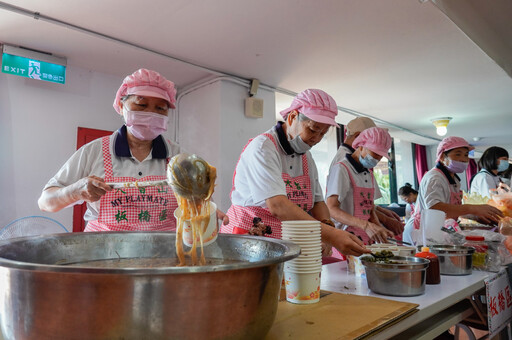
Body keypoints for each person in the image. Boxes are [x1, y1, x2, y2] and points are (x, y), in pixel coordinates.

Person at [38, 68, 227, 231]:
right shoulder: (93, 152)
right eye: (141, 105)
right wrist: (76, 191)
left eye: (160, 109)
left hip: (162, 256)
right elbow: (45, 202)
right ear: (121, 106)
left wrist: (203, 208)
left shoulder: (177, 156)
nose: (151, 114)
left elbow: (194, 200)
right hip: (105, 257)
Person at [220, 89, 369, 257]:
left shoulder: (307, 158)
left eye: (323, 133)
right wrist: (330, 235)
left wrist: (327, 228)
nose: (316, 139)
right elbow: (278, 205)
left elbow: (318, 202)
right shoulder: (263, 148)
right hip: (249, 239)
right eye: (313, 130)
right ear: (292, 117)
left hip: (283, 242)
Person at [403, 136, 503, 245]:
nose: (463, 159)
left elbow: (451, 207)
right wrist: (472, 208)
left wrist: (475, 216)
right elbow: (434, 208)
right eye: (457, 154)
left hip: (435, 228)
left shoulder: (453, 179)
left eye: (466, 155)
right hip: (419, 230)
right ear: (442, 157)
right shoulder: (435, 178)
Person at [329, 116, 404, 236]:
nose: (377, 159)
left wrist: (379, 227)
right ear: (361, 144)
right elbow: (331, 208)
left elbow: (367, 205)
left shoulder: (367, 171)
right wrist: (368, 225)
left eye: (381, 156)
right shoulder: (341, 166)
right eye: (375, 154)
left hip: (363, 235)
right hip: (345, 235)